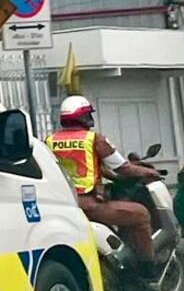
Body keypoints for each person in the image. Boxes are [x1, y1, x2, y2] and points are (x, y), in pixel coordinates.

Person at [49, 95, 164, 271]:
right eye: (88, 115)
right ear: (82, 117)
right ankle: (148, 268)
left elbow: (91, 168)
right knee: (141, 215)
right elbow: (123, 168)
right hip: (89, 205)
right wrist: (150, 172)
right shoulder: (94, 139)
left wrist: (111, 177)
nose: (90, 120)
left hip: (64, 205)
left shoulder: (50, 141)